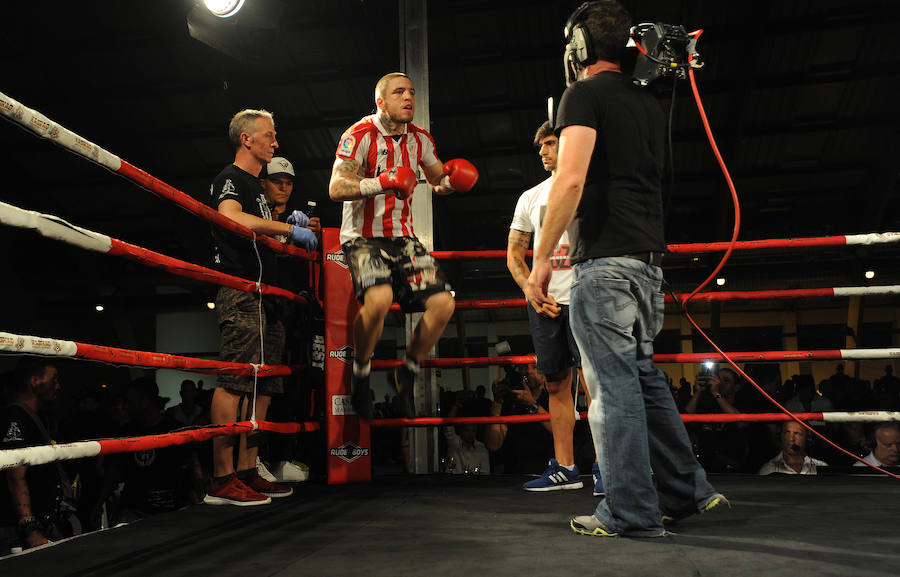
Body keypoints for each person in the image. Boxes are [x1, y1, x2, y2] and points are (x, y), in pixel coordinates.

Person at [527, 0, 725, 537]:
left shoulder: (582, 95)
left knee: (611, 391)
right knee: (643, 379)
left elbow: (569, 180)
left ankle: (630, 511)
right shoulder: (647, 102)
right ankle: (685, 491)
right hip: (646, 262)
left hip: (606, 262)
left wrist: (542, 258)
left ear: (578, 50)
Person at [328, 72, 478, 419]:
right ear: (381, 101)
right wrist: (380, 182)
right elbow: (336, 188)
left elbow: (439, 180)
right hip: (364, 237)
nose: (408, 97)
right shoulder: (359, 134)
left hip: (404, 238)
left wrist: (454, 183)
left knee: (443, 305)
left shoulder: (420, 139)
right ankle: (362, 371)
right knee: (378, 301)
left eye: (411, 92)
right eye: (399, 92)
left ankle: (407, 370)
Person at [204, 109, 315, 505]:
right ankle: (221, 478)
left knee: (263, 384)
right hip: (240, 289)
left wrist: (290, 229)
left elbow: (265, 235)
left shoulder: (259, 188)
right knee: (236, 379)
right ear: (247, 139)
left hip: (266, 294)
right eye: (269, 135)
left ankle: (248, 469)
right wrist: (288, 229)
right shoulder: (231, 179)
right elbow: (230, 217)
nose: (276, 141)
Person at [508, 120, 600, 494]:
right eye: (540, 146)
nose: (543, 152)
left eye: (549, 143)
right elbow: (514, 255)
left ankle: (607, 467)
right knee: (556, 384)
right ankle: (566, 468)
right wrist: (531, 292)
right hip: (546, 302)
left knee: (596, 386)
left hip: (588, 297)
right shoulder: (530, 197)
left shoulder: (591, 186)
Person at [0, 361, 73, 551]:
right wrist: (30, 529)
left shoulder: (36, 417)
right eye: (53, 380)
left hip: (42, 523)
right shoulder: (16, 417)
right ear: (34, 382)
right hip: (19, 531)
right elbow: (15, 476)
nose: (58, 386)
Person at [758, 421, 828, 475]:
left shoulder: (821, 467)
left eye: (797, 433)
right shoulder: (768, 470)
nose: (791, 439)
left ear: (807, 438)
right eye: (787, 433)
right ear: (781, 436)